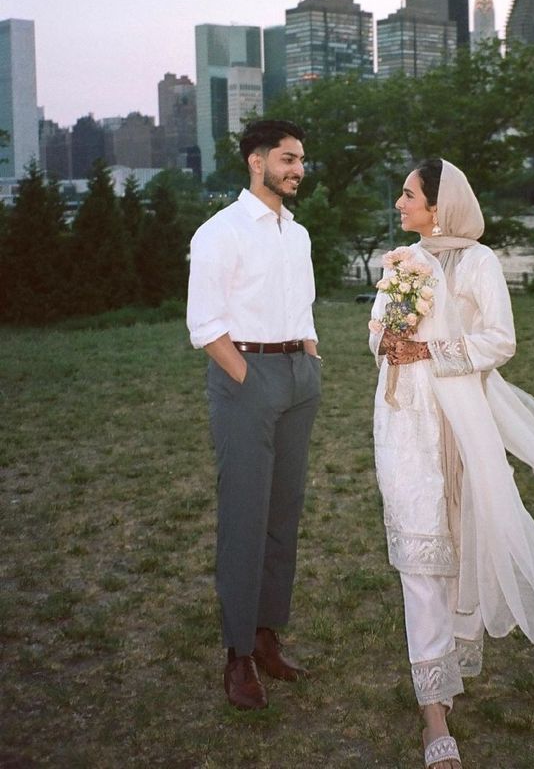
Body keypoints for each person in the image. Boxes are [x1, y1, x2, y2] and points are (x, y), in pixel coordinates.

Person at [369, 159, 534, 769]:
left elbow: (499, 342)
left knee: (465, 541)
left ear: (440, 205)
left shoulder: (480, 263)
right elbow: (375, 330)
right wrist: (388, 336)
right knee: (419, 553)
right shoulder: (402, 261)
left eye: (409, 195)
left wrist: (429, 347)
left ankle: (453, 654)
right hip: (405, 422)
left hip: (464, 422)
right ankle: (434, 712)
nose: (399, 204)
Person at [187, 119, 322, 710]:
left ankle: (267, 635)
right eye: (288, 159)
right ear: (257, 161)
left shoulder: (298, 234)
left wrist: (309, 357)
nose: (297, 170)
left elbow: (305, 304)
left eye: (300, 161)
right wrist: (247, 377)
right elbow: (205, 324)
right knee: (244, 516)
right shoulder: (220, 231)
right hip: (247, 377)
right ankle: (237, 654)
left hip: (298, 377)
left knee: (282, 515)